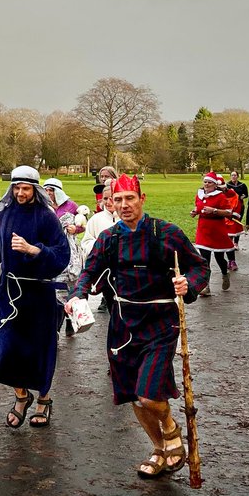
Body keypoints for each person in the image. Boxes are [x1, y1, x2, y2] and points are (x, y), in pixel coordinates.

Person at [65, 174, 209, 479]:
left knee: (148, 393)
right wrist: (77, 295)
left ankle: (171, 430)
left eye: (130, 198)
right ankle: (159, 449)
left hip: (161, 322)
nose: (124, 205)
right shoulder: (109, 238)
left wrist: (189, 284)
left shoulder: (166, 233)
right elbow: (89, 272)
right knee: (134, 395)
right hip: (122, 324)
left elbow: (199, 266)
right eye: (118, 200)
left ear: (142, 199)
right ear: (110, 203)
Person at [0, 166, 70, 428]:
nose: (21, 193)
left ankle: (44, 399)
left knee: (40, 350)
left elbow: (62, 255)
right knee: (8, 348)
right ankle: (21, 396)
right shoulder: (4, 213)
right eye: (17, 188)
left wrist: (34, 250)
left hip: (38, 295)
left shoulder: (47, 216)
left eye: (26, 189)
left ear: (35, 190)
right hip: (9, 293)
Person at [43, 177, 87, 335]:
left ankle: (69, 320)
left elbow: (82, 224)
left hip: (69, 248)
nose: (49, 193)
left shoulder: (71, 205)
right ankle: (55, 325)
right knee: (54, 285)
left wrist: (75, 229)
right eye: (46, 190)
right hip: (50, 247)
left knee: (68, 283)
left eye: (51, 190)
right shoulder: (43, 205)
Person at [190, 172, 238, 295]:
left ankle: (224, 273)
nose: (206, 184)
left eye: (209, 182)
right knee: (204, 260)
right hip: (203, 230)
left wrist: (214, 210)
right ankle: (206, 287)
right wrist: (195, 211)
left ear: (215, 184)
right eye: (205, 182)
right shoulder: (200, 195)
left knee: (219, 258)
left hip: (217, 230)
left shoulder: (220, 196)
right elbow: (199, 207)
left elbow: (228, 212)